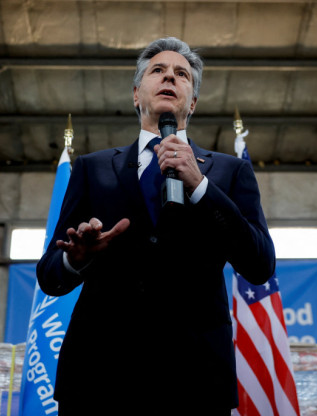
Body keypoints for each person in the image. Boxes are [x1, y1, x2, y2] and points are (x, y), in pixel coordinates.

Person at [37, 37, 275, 415]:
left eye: (182, 74)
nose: (170, 77)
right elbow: (49, 276)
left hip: (195, 381)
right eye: (158, 71)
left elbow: (260, 265)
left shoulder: (230, 173)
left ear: (192, 102)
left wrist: (201, 187)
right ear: (137, 94)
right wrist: (76, 259)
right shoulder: (92, 169)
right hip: (99, 379)